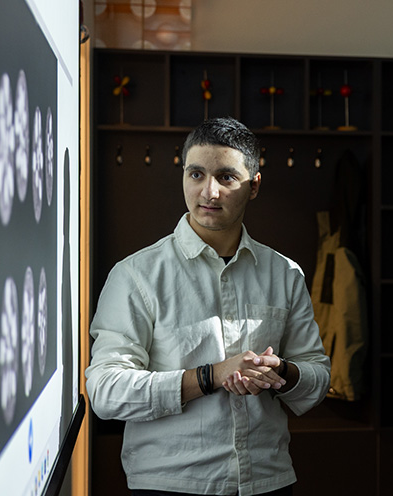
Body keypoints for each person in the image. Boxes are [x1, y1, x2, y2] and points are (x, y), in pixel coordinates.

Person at [85, 117, 331, 496]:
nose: (209, 192)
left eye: (226, 177)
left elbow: (317, 377)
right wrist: (210, 376)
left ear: (254, 186)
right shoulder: (135, 275)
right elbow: (106, 391)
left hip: (267, 480)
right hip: (171, 485)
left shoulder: (285, 273)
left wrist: (280, 371)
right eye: (196, 174)